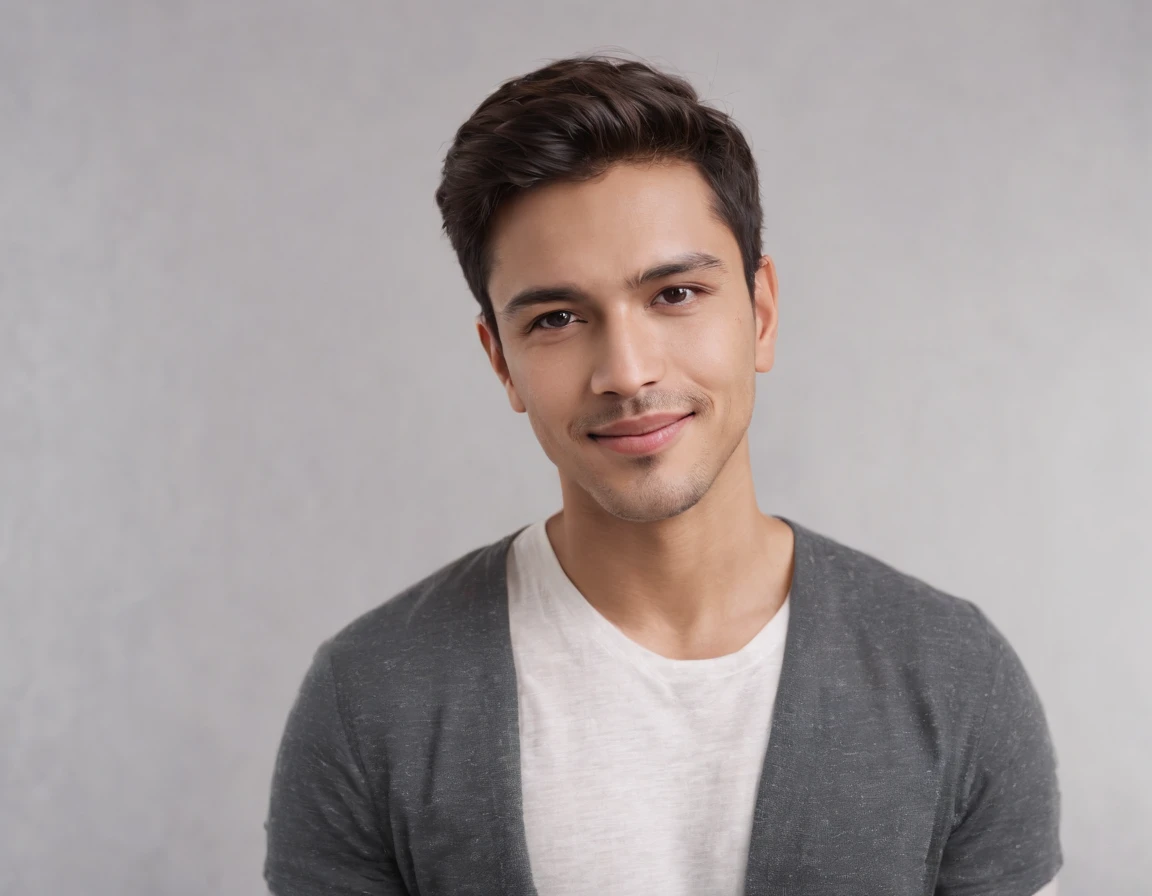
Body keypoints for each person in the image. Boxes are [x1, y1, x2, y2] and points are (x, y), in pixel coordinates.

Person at [263, 54, 1062, 896]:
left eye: (675, 294)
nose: (628, 371)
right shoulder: (371, 700)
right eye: (558, 318)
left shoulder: (953, 676)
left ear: (759, 312)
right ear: (500, 360)